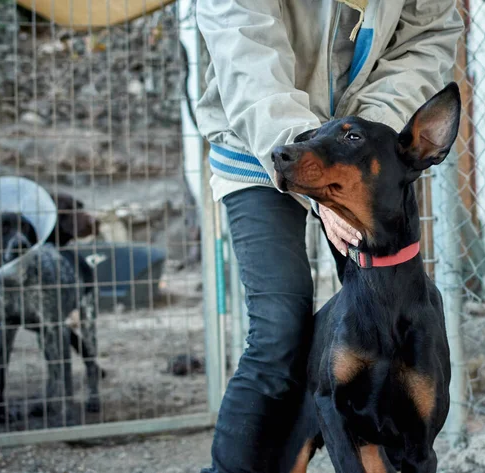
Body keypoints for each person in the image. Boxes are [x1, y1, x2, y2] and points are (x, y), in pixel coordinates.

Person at [195, 0, 463, 471]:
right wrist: (310, 157)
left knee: (375, 323)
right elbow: (244, 49)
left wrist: (361, 142)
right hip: (260, 140)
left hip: (349, 151)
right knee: (280, 333)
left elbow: (427, 34)